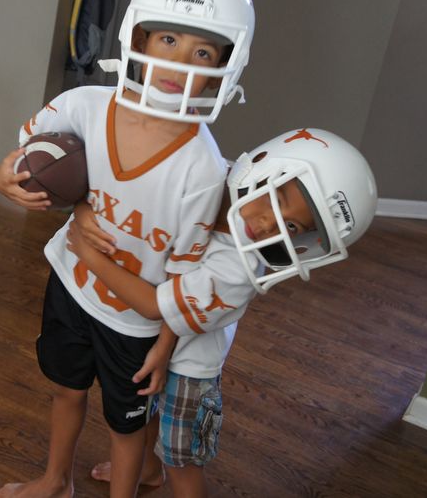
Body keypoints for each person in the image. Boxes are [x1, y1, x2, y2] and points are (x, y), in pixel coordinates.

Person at [0, 0, 255, 496]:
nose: (178, 61)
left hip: (136, 324)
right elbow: (27, 157)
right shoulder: (85, 105)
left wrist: (165, 347)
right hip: (71, 284)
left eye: (202, 52)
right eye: (168, 39)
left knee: (126, 427)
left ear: (223, 68)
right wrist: (4, 177)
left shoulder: (203, 169)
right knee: (66, 389)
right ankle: (55, 480)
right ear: (139, 36)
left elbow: (183, 277)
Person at [69, 129, 378, 497]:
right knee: (147, 412)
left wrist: (89, 255)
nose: (268, 226)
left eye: (292, 226)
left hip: (191, 366)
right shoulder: (208, 179)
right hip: (154, 338)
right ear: (261, 165)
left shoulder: (238, 269)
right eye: (275, 199)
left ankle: (162, 469)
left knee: (181, 458)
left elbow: (159, 304)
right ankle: (148, 470)